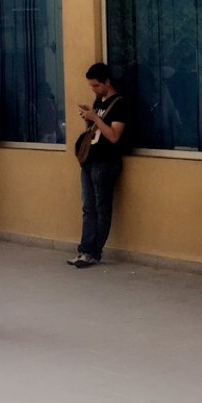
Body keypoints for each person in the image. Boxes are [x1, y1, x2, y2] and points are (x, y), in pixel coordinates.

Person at [69, 63, 131, 268]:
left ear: (107, 82)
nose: (94, 90)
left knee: (101, 207)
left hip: (106, 162)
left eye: (96, 86)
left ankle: (94, 251)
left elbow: (113, 136)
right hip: (90, 160)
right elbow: (97, 131)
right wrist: (90, 118)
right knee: (88, 207)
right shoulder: (99, 101)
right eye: (91, 86)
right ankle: (84, 250)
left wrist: (95, 117)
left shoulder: (119, 104)